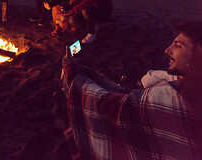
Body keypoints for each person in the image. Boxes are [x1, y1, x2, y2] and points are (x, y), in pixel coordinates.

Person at [62, 21, 202, 159]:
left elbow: (116, 107)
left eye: (178, 46)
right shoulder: (182, 87)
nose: (167, 50)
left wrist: (73, 75)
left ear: (197, 58)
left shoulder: (175, 99)